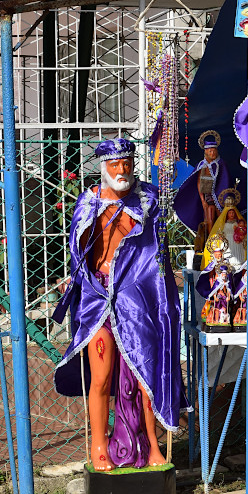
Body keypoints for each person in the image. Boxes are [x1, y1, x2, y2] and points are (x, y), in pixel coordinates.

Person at [53, 137, 182, 471]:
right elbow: (77, 254)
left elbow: (158, 255)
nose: (123, 170)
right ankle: (99, 445)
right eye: (115, 164)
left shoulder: (148, 199)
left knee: (144, 376)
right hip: (99, 301)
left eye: (127, 163)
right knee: (101, 375)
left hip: (137, 301)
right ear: (103, 167)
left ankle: (152, 445)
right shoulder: (88, 203)